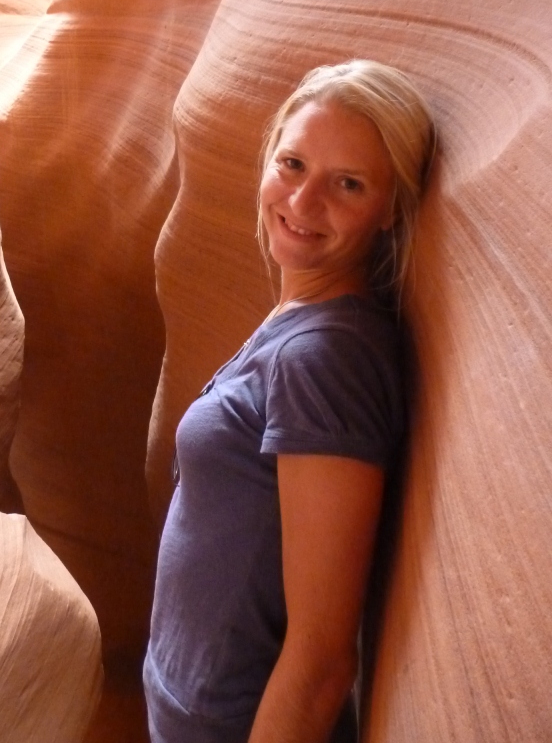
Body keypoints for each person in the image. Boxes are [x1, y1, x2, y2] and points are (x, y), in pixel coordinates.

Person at [143, 60, 437, 743]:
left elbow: (322, 661)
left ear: (390, 209)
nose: (303, 203)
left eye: (348, 185)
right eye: (293, 163)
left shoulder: (325, 361)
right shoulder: (297, 320)